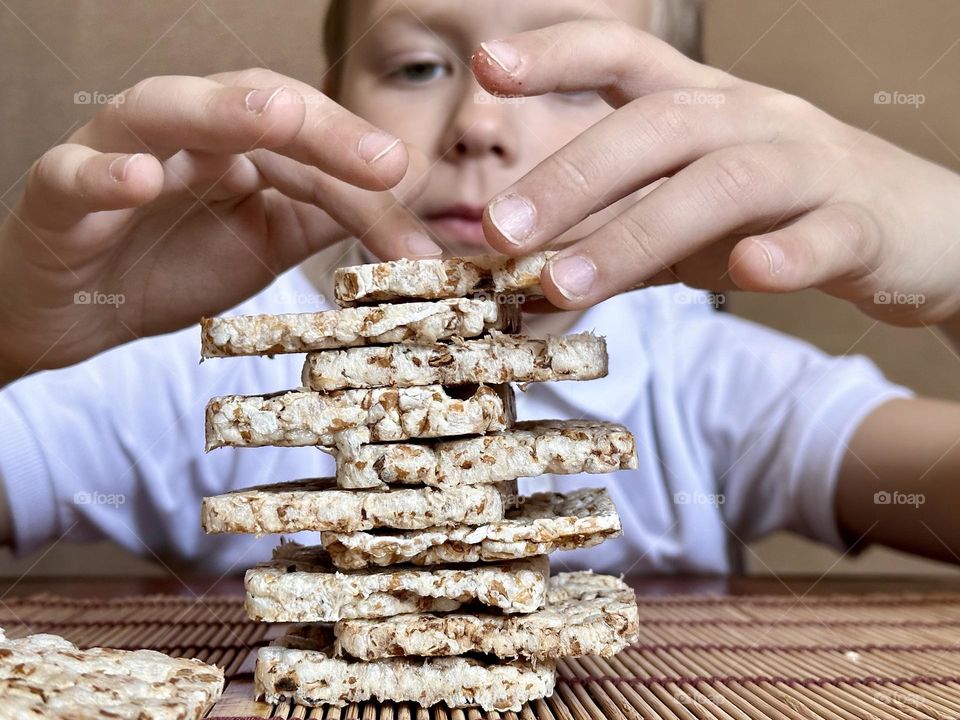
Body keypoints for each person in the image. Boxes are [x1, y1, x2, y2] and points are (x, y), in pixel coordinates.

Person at [0, 0, 958, 574]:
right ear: (331, 106)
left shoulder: (708, 387)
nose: (478, 124)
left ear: (681, 142)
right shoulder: (197, 369)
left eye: (576, 81)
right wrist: (15, 340)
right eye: (419, 66)